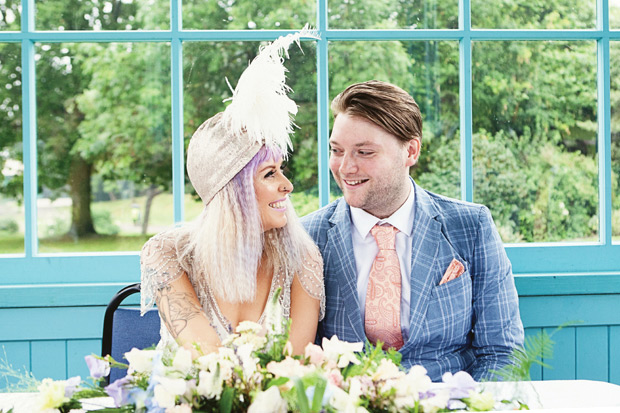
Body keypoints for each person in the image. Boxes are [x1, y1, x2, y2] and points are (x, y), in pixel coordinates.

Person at [301, 80, 524, 381]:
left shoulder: (471, 226)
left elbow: (502, 352)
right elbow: (297, 357)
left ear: (411, 152)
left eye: (364, 152)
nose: (345, 168)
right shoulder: (307, 237)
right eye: (337, 150)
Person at [140, 29, 324, 356]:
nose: (287, 185)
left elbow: (295, 367)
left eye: (283, 170)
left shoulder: (303, 259)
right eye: (270, 173)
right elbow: (205, 358)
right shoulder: (167, 253)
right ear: (231, 191)